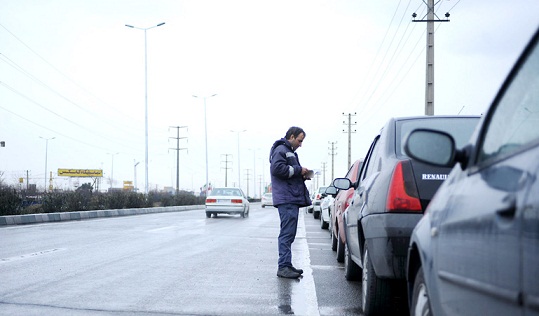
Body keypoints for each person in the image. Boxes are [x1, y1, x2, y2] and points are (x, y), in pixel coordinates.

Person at [269, 126, 312, 279]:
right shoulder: (281, 150)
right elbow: (277, 169)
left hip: (290, 198)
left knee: (289, 233)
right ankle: (283, 266)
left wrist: (301, 174)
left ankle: (286, 264)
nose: (301, 144)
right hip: (287, 198)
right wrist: (298, 170)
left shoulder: (289, 152)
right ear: (292, 137)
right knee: (287, 233)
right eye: (300, 140)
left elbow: (288, 171)